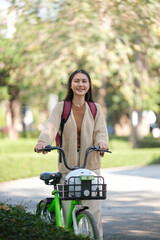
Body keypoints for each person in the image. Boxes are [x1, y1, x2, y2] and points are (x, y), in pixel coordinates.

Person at [35, 69, 109, 239]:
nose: (80, 84)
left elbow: (101, 132)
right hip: (67, 165)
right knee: (68, 212)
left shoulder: (95, 108)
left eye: (84, 81)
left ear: (89, 85)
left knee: (94, 212)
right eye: (76, 81)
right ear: (70, 84)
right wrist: (42, 142)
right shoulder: (61, 107)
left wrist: (102, 143)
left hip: (91, 165)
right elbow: (51, 127)